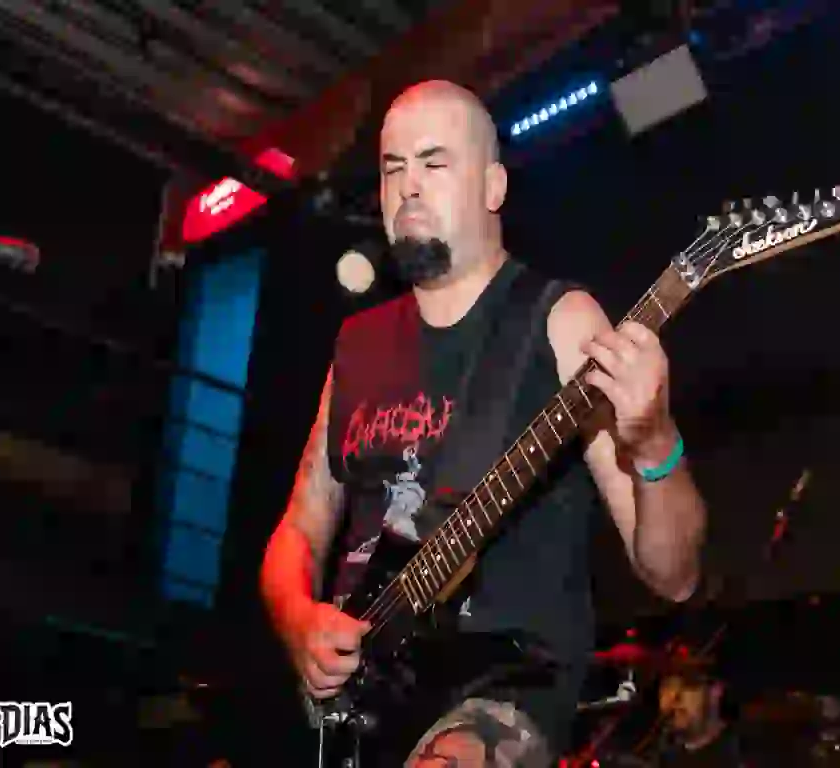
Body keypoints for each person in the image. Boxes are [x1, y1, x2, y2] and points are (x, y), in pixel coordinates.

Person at [259, 79, 708, 766]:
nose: (408, 186)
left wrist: (654, 442)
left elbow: (673, 576)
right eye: (393, 168)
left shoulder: (559, 321)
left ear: (494, 186)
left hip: (502, 692)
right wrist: (298, 623)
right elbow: (298, 526)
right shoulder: (357, 345)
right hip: (368, 703)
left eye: (434, 162)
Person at [648, 668, 742, 767]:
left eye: (685, 685)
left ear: (715, 691)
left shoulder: (738, 756)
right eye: (666, 685)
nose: (672, 697)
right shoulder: (661, 756)